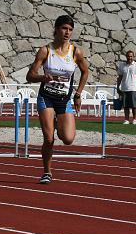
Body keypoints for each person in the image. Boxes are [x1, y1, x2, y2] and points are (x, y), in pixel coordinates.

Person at [26, 15, 89, 185]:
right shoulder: (46, 51)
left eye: (70, 29)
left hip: (64, 99)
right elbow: (30, 75)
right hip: (46, 98)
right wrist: (43, 78)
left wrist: (78, 94)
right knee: (48, 139)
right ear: (56, 29)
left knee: (67, 138)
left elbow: (85, 72)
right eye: (64, 28)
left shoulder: (76, 52)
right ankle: (47, 172)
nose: (67, 32)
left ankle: (57, 120)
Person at [116, 50, 136, 124]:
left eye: (131, 56)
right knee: (126, 106)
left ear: (133, 57)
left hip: (133, 88)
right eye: (128, 56)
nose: (129, 58)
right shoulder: (122, 65)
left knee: (134, 106)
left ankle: (134, 119)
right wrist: (118, 87)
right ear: (126, 57)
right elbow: (119, 77)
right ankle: (126, 119)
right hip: (124, 88)